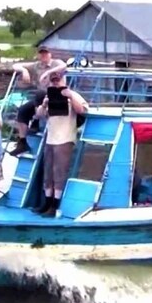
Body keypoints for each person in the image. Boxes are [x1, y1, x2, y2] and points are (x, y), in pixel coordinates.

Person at [35, 72, 89, 216]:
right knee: (48, 172)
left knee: (59, 172)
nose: (56, 84)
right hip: (50, 138)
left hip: (65, 138)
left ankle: (55, 205)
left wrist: (70, 96)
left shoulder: (73, 95)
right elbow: (39, 115)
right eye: (53, 82)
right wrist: (44, 104)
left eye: (58, 81)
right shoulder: (49, 95)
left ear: (64, 81)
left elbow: (82, 110)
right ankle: (46, 202)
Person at [10, 46, 67, 156]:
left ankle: (36, 121)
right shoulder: (36, 65)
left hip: (56, 94)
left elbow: (63, 65)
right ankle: (22, 142)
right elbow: (15, 65)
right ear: (38, 55)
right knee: (23, 110)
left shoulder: (56, 63)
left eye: (45, 53)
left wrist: (47, 73)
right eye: (41, 53)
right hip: (41, 98)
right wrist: (24, 70)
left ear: (50, 54)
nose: (43, 55)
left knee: (39, 94)